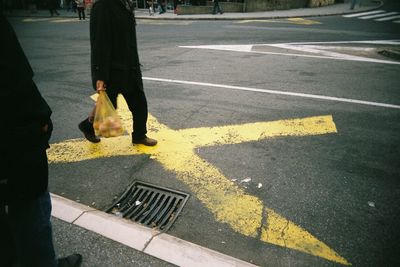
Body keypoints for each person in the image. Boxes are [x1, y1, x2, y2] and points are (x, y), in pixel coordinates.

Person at [0, 14, 82, 267]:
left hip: (14, 136)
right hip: (15, 142)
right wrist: (40, 122)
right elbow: (16, 81)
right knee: (32, 213)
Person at [78, 0, 157, 147]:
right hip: (112, 69)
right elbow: (100, 43)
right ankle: (88, 125)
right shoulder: (103, 7)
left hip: (130, 66)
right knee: (109, 106)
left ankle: (139, 135)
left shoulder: (124, 4)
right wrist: (100, 75)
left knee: (139, 103)